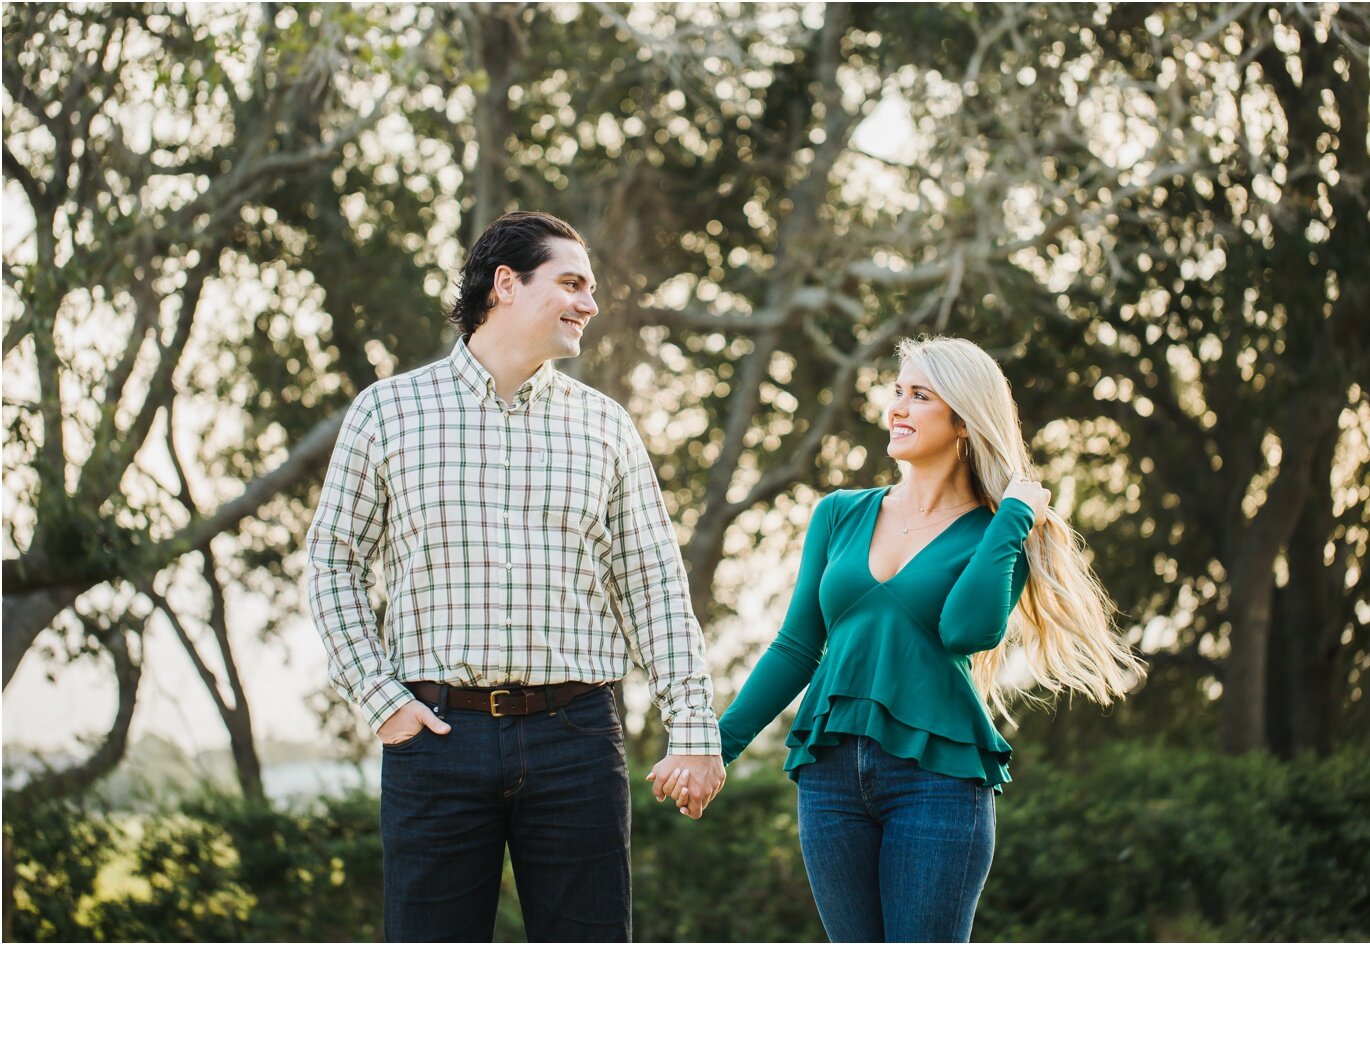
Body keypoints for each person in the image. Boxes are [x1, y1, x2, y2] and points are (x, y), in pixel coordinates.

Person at [306, 211, 725, 941]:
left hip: (577, 739)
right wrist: (381, 700)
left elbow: (654, 584)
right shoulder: (387, 413)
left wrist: (692, 727)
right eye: (571, 283)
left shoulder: (605, 426)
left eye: (590, 288)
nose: (590, 303)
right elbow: (332, 560)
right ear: (505, 284)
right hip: (434, 738)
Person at [698, 335, 1144, 941]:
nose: (897, 409)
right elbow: (797, 646)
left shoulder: (998, 532)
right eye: (897, 392)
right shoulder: (840, 513)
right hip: (829, 775)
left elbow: (966, 631)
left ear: (963, 419)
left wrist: (1014, 517)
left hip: (937, 782)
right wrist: (713, 748)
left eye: (919, 396)